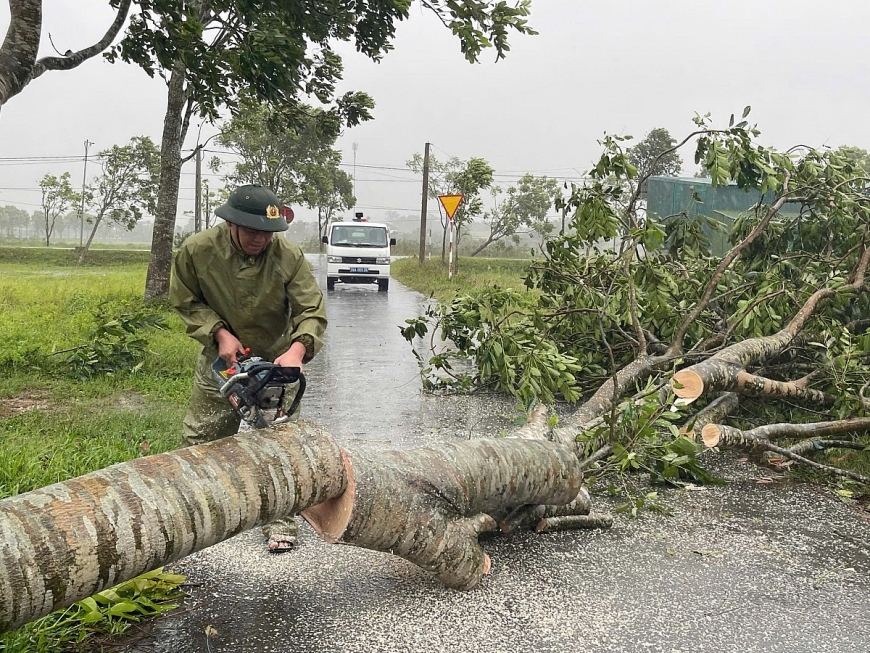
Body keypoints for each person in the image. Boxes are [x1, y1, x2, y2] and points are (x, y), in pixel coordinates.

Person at [169, 183, 327, 552]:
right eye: (254, 231)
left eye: (269, 233)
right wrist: (218, 332)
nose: (261, 239)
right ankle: (192, 515)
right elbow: (186, 301)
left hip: (276, 362)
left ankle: (281, 522)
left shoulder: (287, 255)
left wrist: (298, 350)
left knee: (280, 444)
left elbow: (310, 309)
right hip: (221, 361)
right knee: (201, 439)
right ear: (232, 225)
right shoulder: (197, 251)